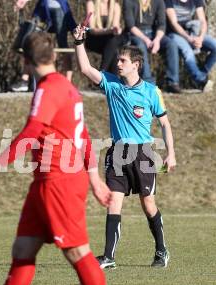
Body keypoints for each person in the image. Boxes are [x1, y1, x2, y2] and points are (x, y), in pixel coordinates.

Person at [0, 32, 111, 285]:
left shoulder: (48, 89)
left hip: (60, 181)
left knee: (77, 252)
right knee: (23, 248)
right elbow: (82, 135)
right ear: (55, 56)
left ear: (25, 62)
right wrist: (94, 178)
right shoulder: (67, 87)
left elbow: (31, 132)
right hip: (46, 181)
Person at [74, 24, 176, 269]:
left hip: (143, 154)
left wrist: (171, 154)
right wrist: (79, 42)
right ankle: (108, 257)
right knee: (113, 203)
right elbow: (86, 68)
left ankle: (161, 250)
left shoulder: (152, 92)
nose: (118, 64)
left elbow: (164, 123)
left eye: (122, 60)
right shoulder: (111, 84)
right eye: (118, 60)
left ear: (135, 64)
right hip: (118, 153)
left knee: (148, 204)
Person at [11, 0, 77, 92]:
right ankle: (25, 80)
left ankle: (68, 82)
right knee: (32, 42)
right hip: (42, 8)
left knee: (63, 45)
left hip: (59, 8)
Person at [123, 0, 181, 93]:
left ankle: (173, 82)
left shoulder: (159, 2)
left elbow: (162, 25)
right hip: (135, 34)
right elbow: (131, 26)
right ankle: (148, 82)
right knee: (140, 46)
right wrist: (146, 39)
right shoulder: (129, 1)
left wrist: (157, 40)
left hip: (153, 33)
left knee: (171, 44)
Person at [165, 0, 216, 92]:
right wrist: (189, 39)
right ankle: (201, 80)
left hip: (192, 32)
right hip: (174, 34)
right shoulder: (169, 1)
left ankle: (202, 75)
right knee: (188, 51)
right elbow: (174, 23)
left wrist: (200, 38)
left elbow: (203, 21)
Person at [84, 0, 126, 74]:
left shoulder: (116, 6)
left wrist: (117, 30)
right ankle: (104, 74)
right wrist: (108, 30)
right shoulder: (91, 4)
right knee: (113, 45)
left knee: (113, 45)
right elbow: (92, 30)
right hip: (94, 40)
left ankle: (103, 75)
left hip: (109, 42)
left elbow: (115, 27)